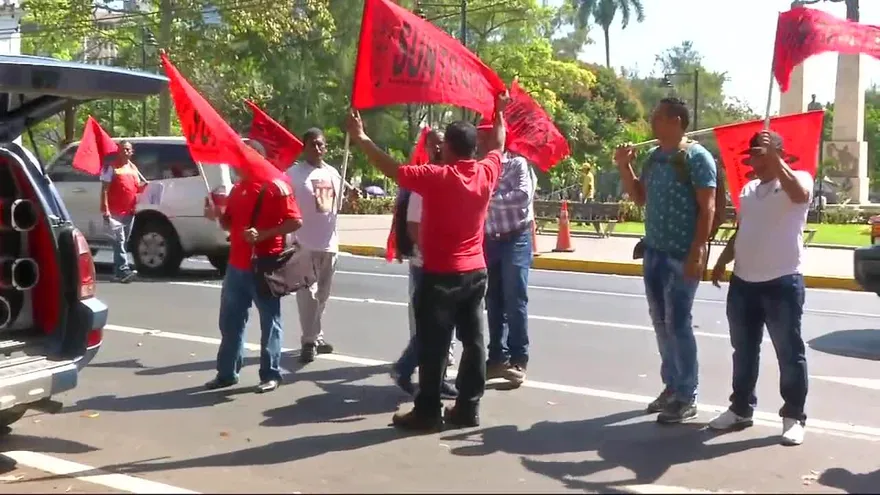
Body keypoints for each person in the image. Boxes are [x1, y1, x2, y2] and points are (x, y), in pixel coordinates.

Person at [347, 92, 509, 432]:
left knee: (433, 346)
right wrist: (500, 110)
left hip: (440, 274)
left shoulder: (437, 177)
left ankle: (428, 412)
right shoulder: (486, 172)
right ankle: (468, 408)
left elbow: (390, 168)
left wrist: (362, 138)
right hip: (475, 272)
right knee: (474, 342)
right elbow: (499, 143)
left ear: (449, 147)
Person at [614, 97, 717, 424]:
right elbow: (640, 197)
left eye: (657, 118)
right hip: (655, 252)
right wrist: (623, 165)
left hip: (682, 254)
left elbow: (708, 208)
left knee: (678, 323)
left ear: (675, 120)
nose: (652, 124)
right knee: (661, 323)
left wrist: (698, 250)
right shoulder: (654, 158)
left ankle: (687, 394)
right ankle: (672, 387)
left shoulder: (697, 158)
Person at [708, 130, 812, 446]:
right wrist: (723, 260)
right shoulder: (749, 190)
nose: (757, 160)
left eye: (763, 153)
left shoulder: (799, 180)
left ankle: (793, 417)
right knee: (744, 351)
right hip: (743, 284)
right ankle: (740, 409)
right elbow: (744, 230)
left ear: (780, 154)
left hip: (782, 282)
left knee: (789, 354)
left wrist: (777, 161)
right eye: (754, 154)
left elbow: (799, 195)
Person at [204, 144, 303, 393]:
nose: (235, 162)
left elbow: (295, 221)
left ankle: (271, 374)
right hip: (236, 267)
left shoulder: (276, 186)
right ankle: (227, 373)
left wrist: (263, 235)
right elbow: (230, 224)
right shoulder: (238, 189)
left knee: (271, 322)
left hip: (265, 266)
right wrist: (216, 214)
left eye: (240, 156)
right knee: (230, 322)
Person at [390, 129, 458, 399]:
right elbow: (414, 225)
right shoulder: (427, 178)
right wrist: (433, 255)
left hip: (443, 262)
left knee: (442, 326)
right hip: (428, 264)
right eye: (436, 144)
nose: (440, 148)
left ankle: (435, 378)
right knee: (434, 326)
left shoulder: (446, 176)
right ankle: (405, 369)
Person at [477, 129, 536, 386]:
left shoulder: (516, 164)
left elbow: (522, 196)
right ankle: (496, 357)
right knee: (493, 300)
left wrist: (488, 198)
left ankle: (518, 358)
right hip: (490, 239)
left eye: (486, 137)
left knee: (515, 298)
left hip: (516, 237)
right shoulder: (481, 168)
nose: (480, 142)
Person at [286, 128, 340, 363]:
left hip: (329, 244)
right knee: (307, 295)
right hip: (303, 244)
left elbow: (333, 205)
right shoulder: (293, 175)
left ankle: (316, 335)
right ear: (304, 147)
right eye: (313, 145)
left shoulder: (334, 173)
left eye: (321, 145)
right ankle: (308, 341)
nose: (318, 149)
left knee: (323, 296)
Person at [100, 140, 147, 283]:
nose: (126, 152)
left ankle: (117, 274)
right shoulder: (111, 168)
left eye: (128, 150)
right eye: (123, 149)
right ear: (118, 151)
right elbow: (104, 189)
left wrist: (146, 188)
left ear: (132, 152)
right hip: (115, 212)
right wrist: (105, 209)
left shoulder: (133, 168)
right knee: (118, 241)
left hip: (129, 211)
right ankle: (123, 271)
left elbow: (137, 188)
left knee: (123, 242)